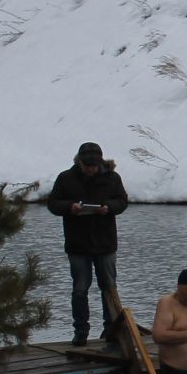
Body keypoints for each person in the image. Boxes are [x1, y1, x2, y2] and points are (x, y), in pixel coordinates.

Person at [46, 141, 128, 347]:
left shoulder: (112, 178)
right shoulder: (65, 178)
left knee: (109, 288)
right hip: (78, 244)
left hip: (105, 243)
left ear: (100, 163)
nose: (89, 169)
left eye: (93, 166)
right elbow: (53, 204)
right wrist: (70, 207)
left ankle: (111, 330)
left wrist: (108, 208)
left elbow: (122, 201)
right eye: (86, 166)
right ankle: (80, 331)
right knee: (80, 289)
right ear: (79, 162)